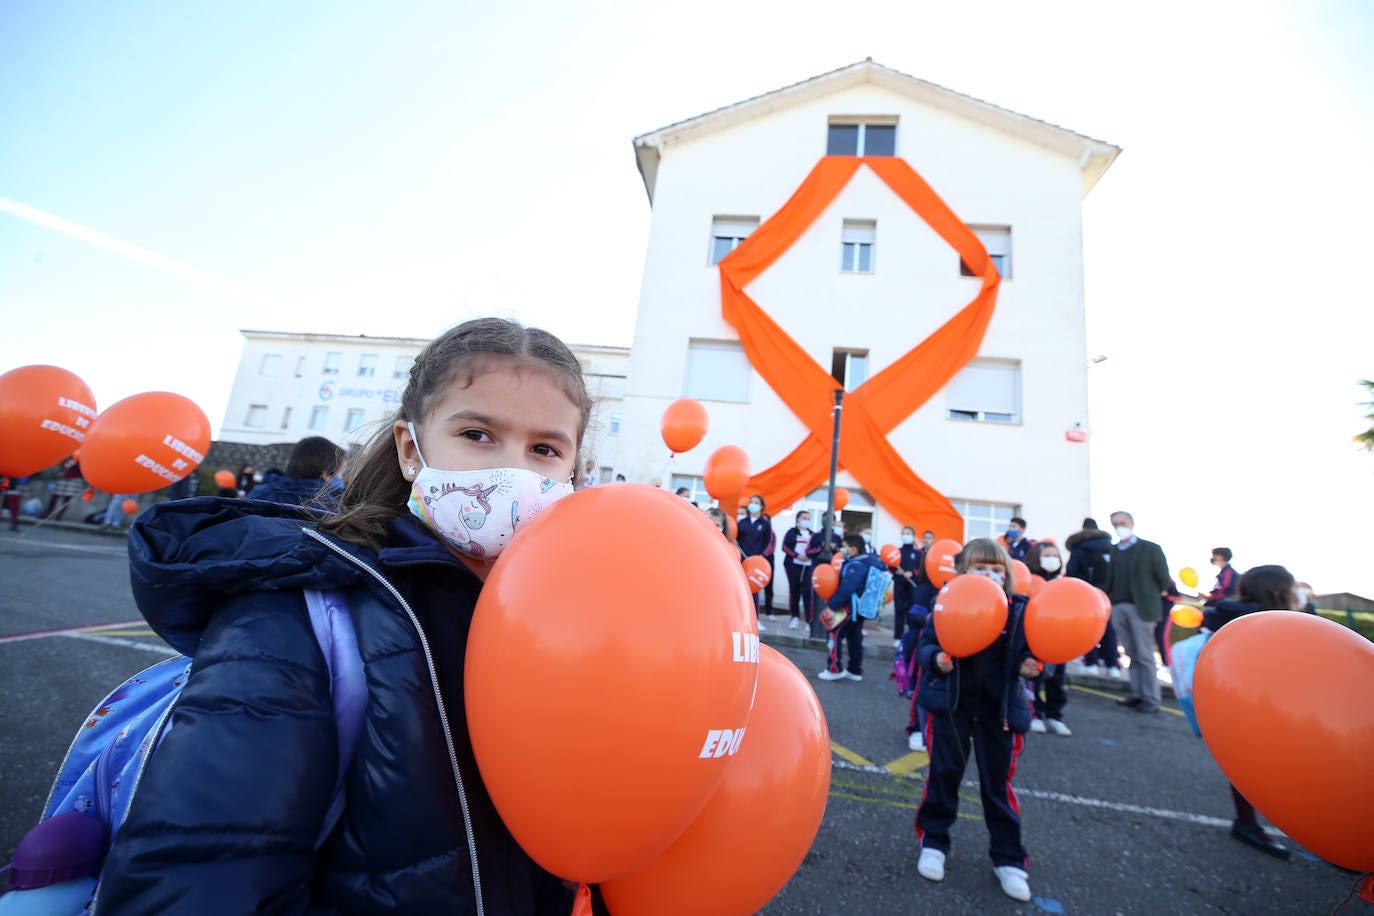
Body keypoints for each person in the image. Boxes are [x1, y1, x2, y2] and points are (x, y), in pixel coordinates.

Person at [98, 318, 588, 913]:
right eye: (478, 435)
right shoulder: (302, 607)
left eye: (544, 449)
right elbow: (203, 871)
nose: (512, 471)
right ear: (413, 449)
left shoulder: (580, 620)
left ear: (573, 469)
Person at [914, 538, 1041, 902]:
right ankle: (934, 842)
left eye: (997, 570)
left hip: (999, 713)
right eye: (980, 568)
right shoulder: (947, 603)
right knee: (943, 775)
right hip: (953, 707)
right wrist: (937, 657)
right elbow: (925, 645)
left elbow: (1034, 652)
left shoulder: (1020, 610)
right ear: (962, 573)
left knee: (997, 786)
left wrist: (1032, 667)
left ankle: (1009, 859)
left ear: (1008, 576)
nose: (989, 575)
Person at [1201, 565, 1307, 859]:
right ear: (1277, 591)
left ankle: (1247, 823)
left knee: (1247, 767)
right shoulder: (1280, 621)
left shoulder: (1228, 613)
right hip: (1271, 705)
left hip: (1239, 703)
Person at [1104, 511, 1172, 714]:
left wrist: (1151, 593)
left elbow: (1163, 578)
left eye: (1122, 522)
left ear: (1131, 523)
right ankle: (1137, 694)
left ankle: (1151, 698)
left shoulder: (1150, 549)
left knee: (1144, 655)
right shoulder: (1113, 550)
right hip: (1118, 606)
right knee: (1131, 653)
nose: (1119, 526)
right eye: (1115, 524)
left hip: (1141, 607)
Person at [817, 534, 882, 682]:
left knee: (834, 635)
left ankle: (834, 669)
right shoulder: (865, 562)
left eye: (845, 547)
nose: (842, 550)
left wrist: (833, 604)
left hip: (848, 607)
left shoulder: (855, 566)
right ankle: (854, 669)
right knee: (854, 637)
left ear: (853, 549)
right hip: (858, 609)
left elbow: (847, 588)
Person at [1025, 542, 1071, 736]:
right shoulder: (1029, 581)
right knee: (1035, 674)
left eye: (1055, 555)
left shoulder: (1064, 583)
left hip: (1060, 635)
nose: (1052, 559)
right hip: (1034, 635)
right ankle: (1034, 713)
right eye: (1047, 555)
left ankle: (1055, 715)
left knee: (1057, 677)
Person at [1065, 517, 1119, 678]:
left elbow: (1072, 570)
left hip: (1087, 595)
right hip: (1109, 596)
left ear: (1084, 529)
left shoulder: (1080, 547)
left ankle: (1091, 662)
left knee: (1088, 629)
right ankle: (1112, 665)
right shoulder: (1111, 548)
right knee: (1109, 629)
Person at [247, 436, 347, 511]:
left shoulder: (260, 493)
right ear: (326, 474)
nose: (342, 479)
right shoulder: (327, 506)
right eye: (341, 473)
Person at [736, 494, 777, 620]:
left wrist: (759, 556)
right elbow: (737, 540)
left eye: (756, 503)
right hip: (741, 560)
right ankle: (739, 617)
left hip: (755, 561)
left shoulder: (765, 524)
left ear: (761, 506)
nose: (753, 505)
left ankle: (754, 619)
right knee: (740, 587)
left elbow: (767, 541)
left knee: (754, 590)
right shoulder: (742, 522)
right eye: (751, 502)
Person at [781, 509, 821, 631]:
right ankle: (794, 617)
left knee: (808, 593)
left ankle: (809, 621)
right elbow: (785, 547)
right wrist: (797, 555)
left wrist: (809, 556)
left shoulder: (813, 534)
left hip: (808, 566)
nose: (806, 520)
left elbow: (818, 548)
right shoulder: (791, 532)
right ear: (798, 519)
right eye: (804, 518)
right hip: (793, 565)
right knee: (794, 591)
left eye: (808, 518)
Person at [891, 525, 921, 646]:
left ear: (913, 536)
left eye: (908, 533)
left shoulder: (918, 553)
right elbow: (891, 565)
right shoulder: (897, 552)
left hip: (912, 585)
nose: (905, 536)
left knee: (911, 611)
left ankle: (910, 636)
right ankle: (898, 637)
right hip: (899, 584)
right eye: (904, 533)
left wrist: (912, 573)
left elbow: (920, 568)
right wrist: (895, 571)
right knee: (899, 611)